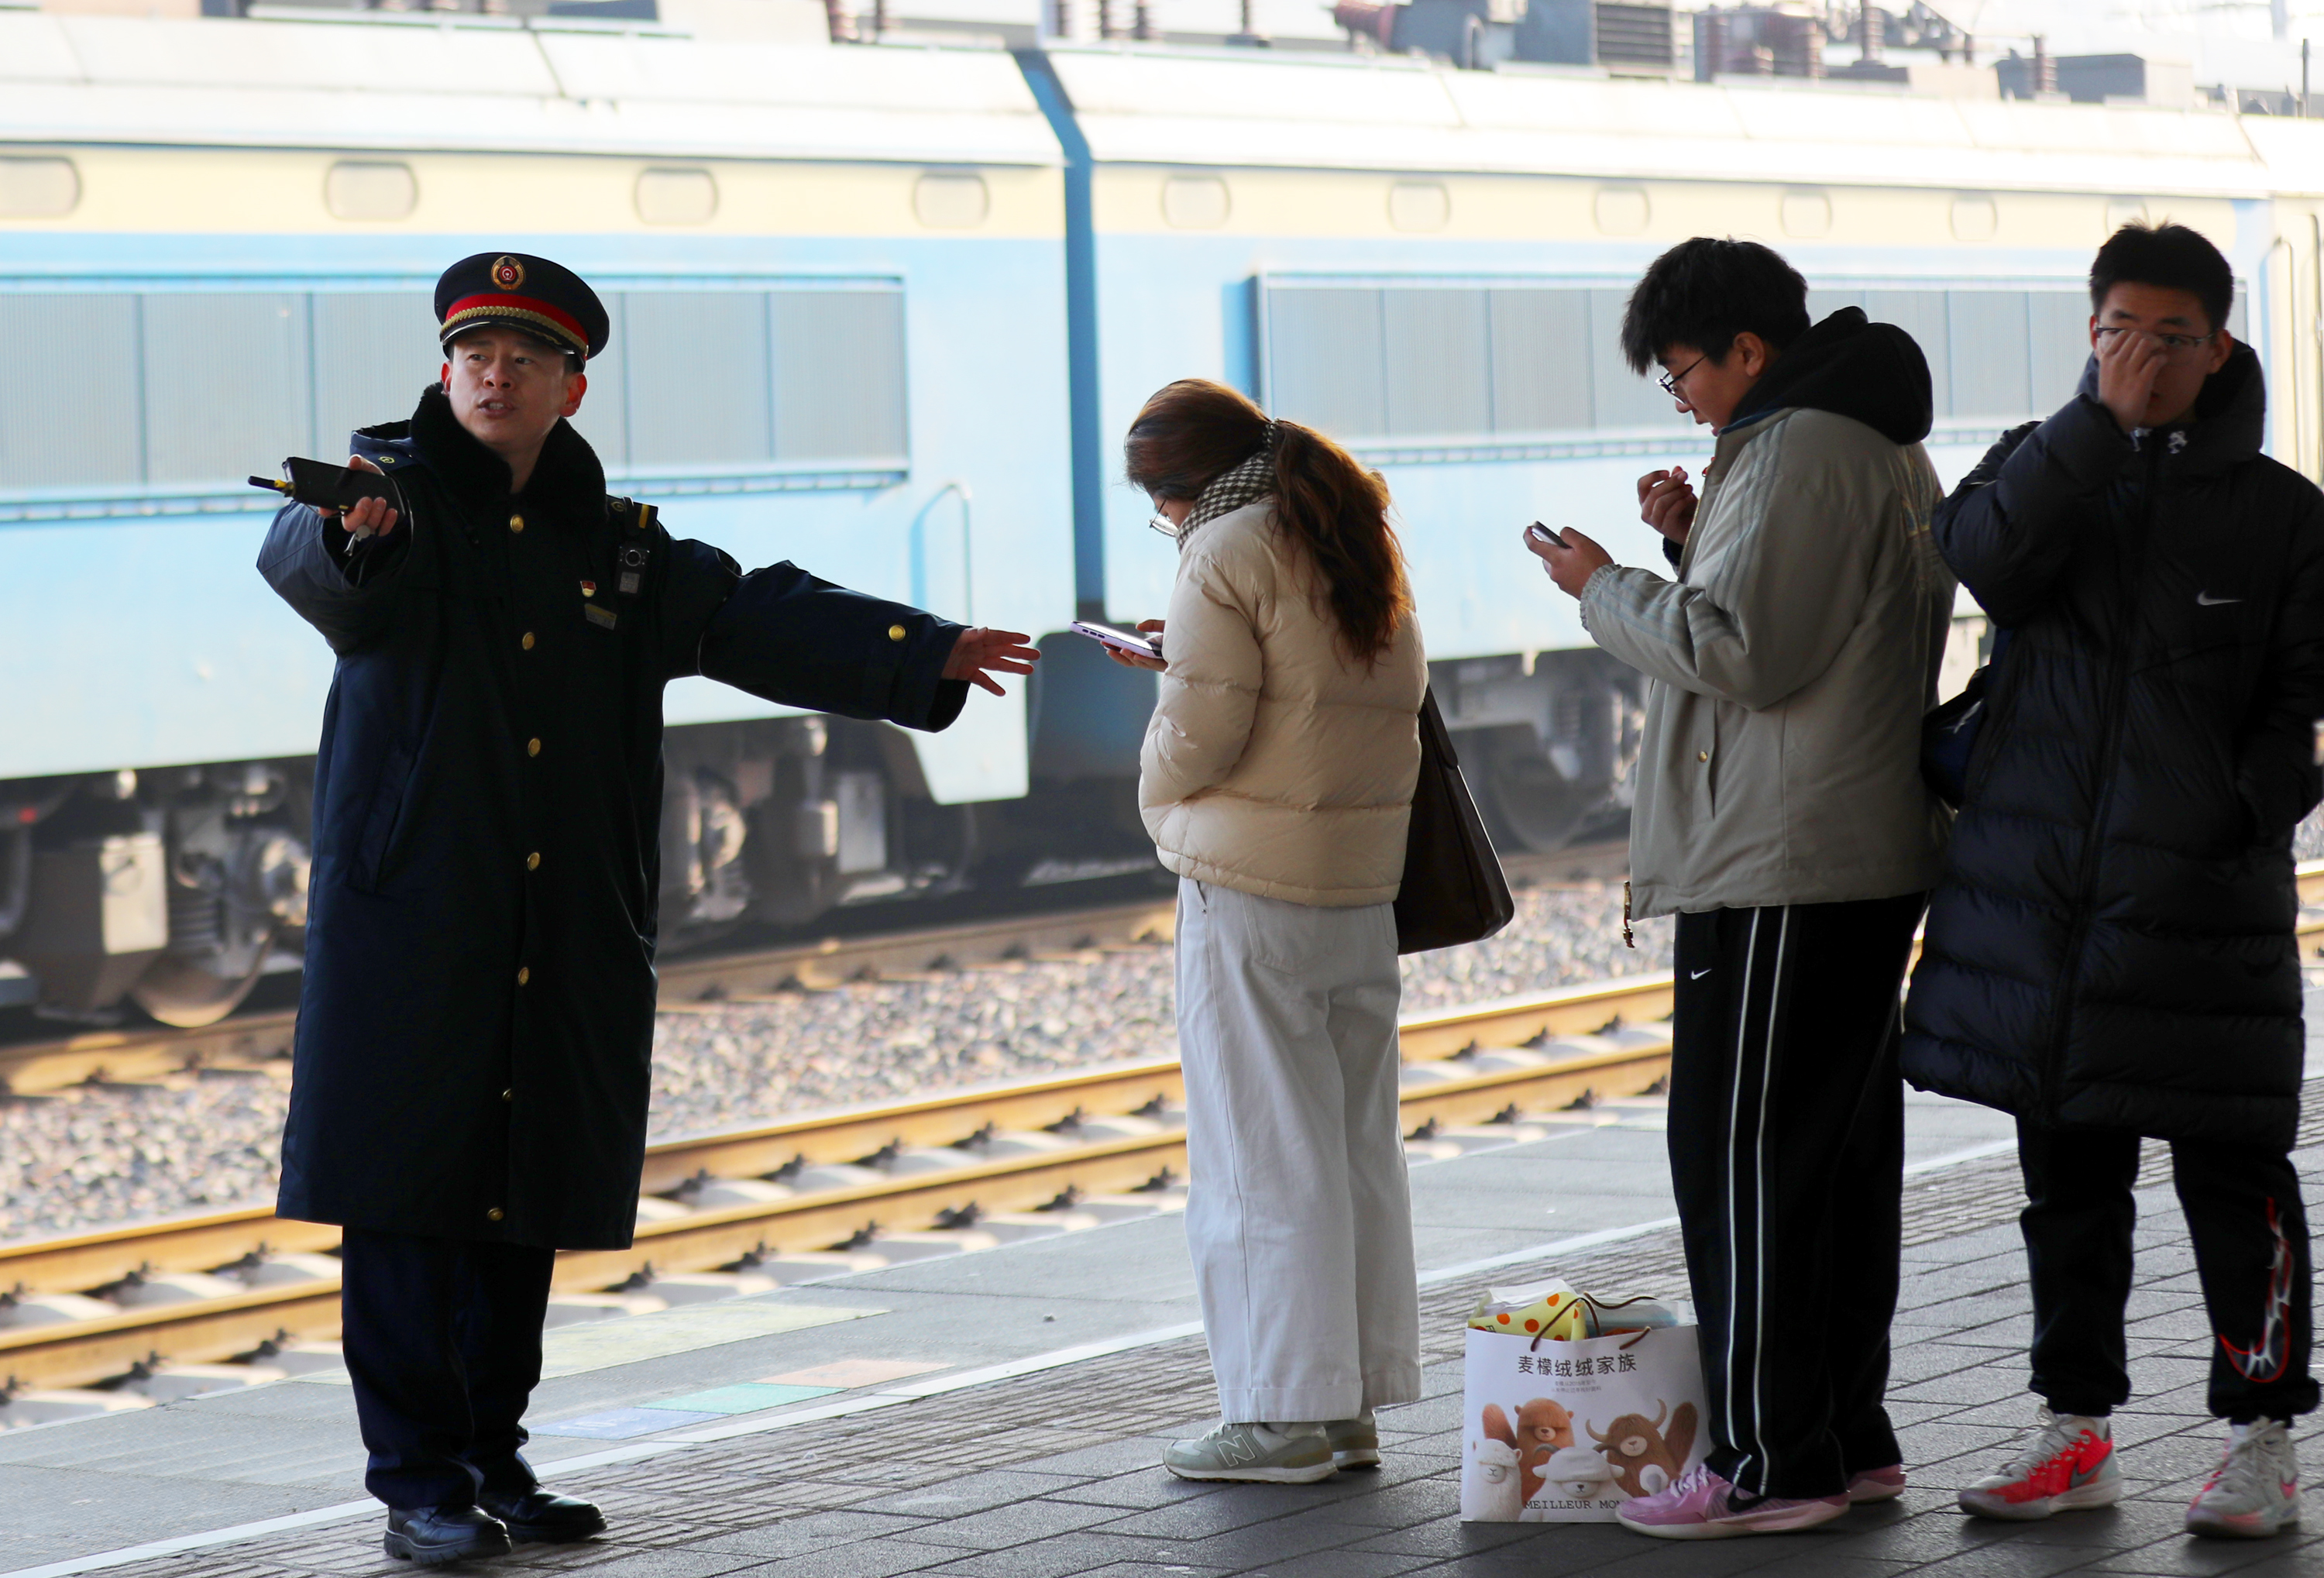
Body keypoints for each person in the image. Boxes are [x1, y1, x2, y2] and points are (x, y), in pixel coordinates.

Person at [258, 253, 1037, 1566]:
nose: (494, 375)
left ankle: (491, 1456)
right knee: (406, 1201)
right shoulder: (388, 499)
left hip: (561, 924)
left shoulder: (613, 543)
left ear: (571, 386)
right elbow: (309, 561)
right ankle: (417, 1481)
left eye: (524, 358)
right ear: (445, 369)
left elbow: (749, 613)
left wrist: (920, 648)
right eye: (474, 354)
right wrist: (350, 534)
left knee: (520, 1194)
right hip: (414, 928)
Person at [1902, 222, 2324, 1540]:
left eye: (2170, 335)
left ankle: (2262, 1438)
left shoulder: (2283, 513)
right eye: (2117, 330)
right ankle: (2073, 1428)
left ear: (2222, 348)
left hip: (2203, 916)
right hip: (2045, 915)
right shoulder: (2040, 465)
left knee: (2236, 1183)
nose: (2141, 354)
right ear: (2088, 336)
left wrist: (2235, 811)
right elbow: (1982, 556)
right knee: (2067, 1189)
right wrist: (2095, 428)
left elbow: (2302, 705)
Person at [1528, 238, 1954, 1537]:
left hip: (1781, 857)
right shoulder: (1861, 437)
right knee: (1830, 1160)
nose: (1685, 401)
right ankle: (1845, 1435)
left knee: (1742, 1159)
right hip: (1834, 845)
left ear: (1750, 351)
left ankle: (1772, 1461)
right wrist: (1695, 533)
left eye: (1685, 374)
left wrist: (1602, 584)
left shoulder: (1801, 447)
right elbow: (1806, 622)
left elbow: (1743, 653)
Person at [1102, 378, 1426, 1483]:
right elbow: (1318, 690)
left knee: (1258, 1156)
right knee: (1352, 1148)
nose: (1166, 521)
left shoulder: (1220, 548)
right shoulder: (1346, 531)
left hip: (1251, 891)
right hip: (1358, 888)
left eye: (1159, 502)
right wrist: (1190, 656)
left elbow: (1202, 732)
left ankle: (1279, 1419)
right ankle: (1347, 1406)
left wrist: (1155, 790)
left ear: (1184, 485)